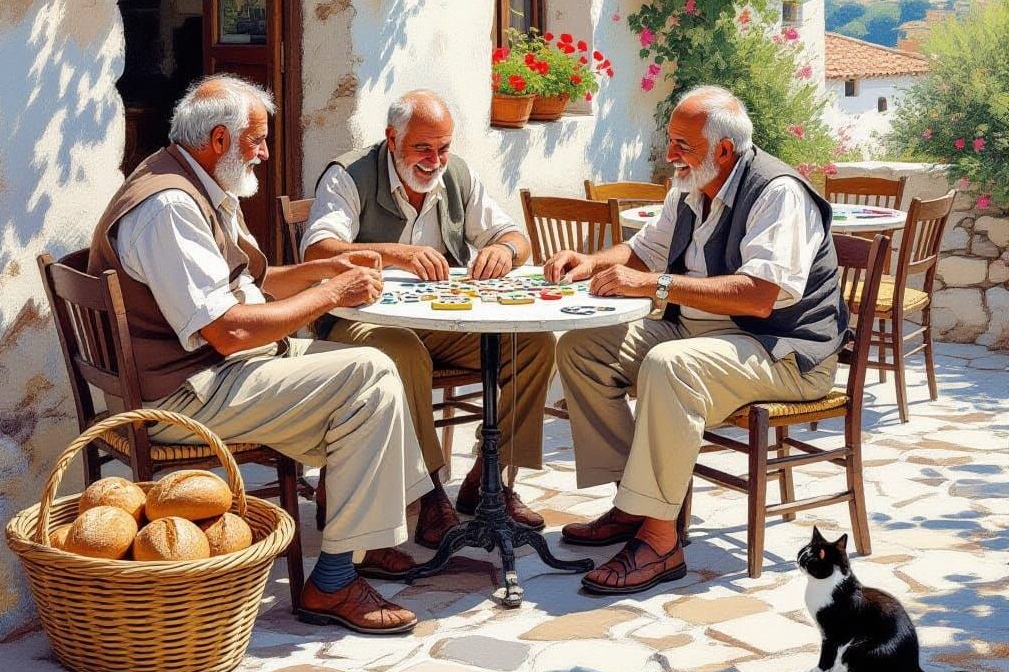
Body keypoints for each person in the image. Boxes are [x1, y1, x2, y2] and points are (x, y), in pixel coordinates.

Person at [89, 74, 433, 634]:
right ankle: (337, 579)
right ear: (219, 140)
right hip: (180, 398)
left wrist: (324, 270)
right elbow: (227, 331)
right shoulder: (169, 206)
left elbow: (254, 281)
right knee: (368, 375)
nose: (266, 152)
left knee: (372, 371)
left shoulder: (193, 181)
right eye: (257, 139)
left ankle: (369, 535)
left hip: (209, 374)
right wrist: (330, 295)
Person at [546, 85, 846, 594]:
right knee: (582, 348)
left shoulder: (777, 192)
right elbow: (645, 251)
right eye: (672, 141)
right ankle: (634, 504)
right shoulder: (690, 186)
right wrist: (592, 262)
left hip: (785, 350)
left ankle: (660, 541)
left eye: (682, 144)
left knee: (670, 364)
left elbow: (760, 296)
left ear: (723, 150)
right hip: (710, 333)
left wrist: (658, 286)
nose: (670, 155)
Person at [301, 90, 554, 557]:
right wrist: (397, 254)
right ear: (391, 138)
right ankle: (429, 489)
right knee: (402, 351)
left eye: (443, 147)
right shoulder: (349, 175)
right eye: (422, 148)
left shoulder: (456, 175)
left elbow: (515, 237)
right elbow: (317, 252)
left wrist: (505, 249)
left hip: (438, 321)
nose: (435, 159)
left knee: (533, 344)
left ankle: (487, 480)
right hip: (358, 321)